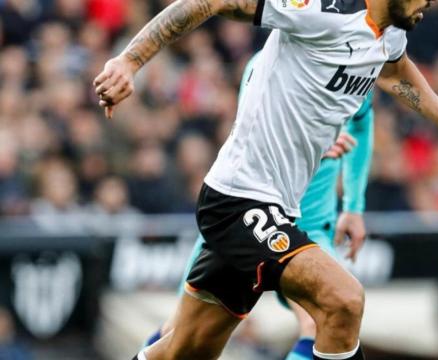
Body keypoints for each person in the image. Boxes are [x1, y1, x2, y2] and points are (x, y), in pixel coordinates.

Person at [94, 0, 438, 358]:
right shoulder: (321, 9)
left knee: (188, 348)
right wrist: (131, 60)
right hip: (240, 200)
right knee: (343, 300)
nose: (430, 3)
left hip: (277, 208)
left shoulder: (390, 33)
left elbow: (396, 70)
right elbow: (215, 1)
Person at [143, 53, 374, 360]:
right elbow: (252, 136)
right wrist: (315, 143)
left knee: (326, 317)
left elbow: (363, 121)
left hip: (312, 227)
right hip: (253, 217)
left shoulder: (356, 64)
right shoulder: (267, 64)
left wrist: (354, 207)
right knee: (180, 337)